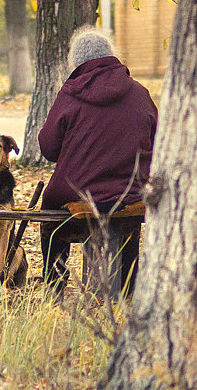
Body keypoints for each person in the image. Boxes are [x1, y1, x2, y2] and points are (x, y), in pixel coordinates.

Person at [36, 26, 157, 295]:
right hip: (131, 191)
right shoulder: (140, 93)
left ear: (75, 62)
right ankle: (129, 286)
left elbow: (48, 148)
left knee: (51, 222)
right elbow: (158, 140)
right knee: (128, 214)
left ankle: (54, 282)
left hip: (78, 190)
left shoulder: (70, 94)